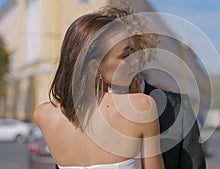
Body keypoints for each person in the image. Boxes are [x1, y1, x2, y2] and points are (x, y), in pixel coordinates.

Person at [35, 5, 164, 169]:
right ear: (94, 67)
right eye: (125, 55)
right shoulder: (142, 107)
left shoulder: (43, 115)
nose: (136, 60)